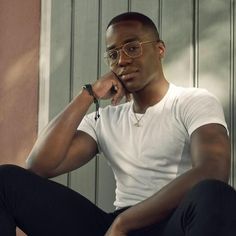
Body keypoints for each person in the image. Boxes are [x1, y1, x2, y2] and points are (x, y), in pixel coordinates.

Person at [0, 12, 236, 236]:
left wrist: (124, 223)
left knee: (213, 193)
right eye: (113, 54)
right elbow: (38, 167)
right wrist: (88, 95)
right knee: (6, 181)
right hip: (114, 228)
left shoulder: (192, 101)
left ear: (160, 49)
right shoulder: (105, 120)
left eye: (132, 48)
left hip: (173, 223)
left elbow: (212, 171)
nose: (122, 60)